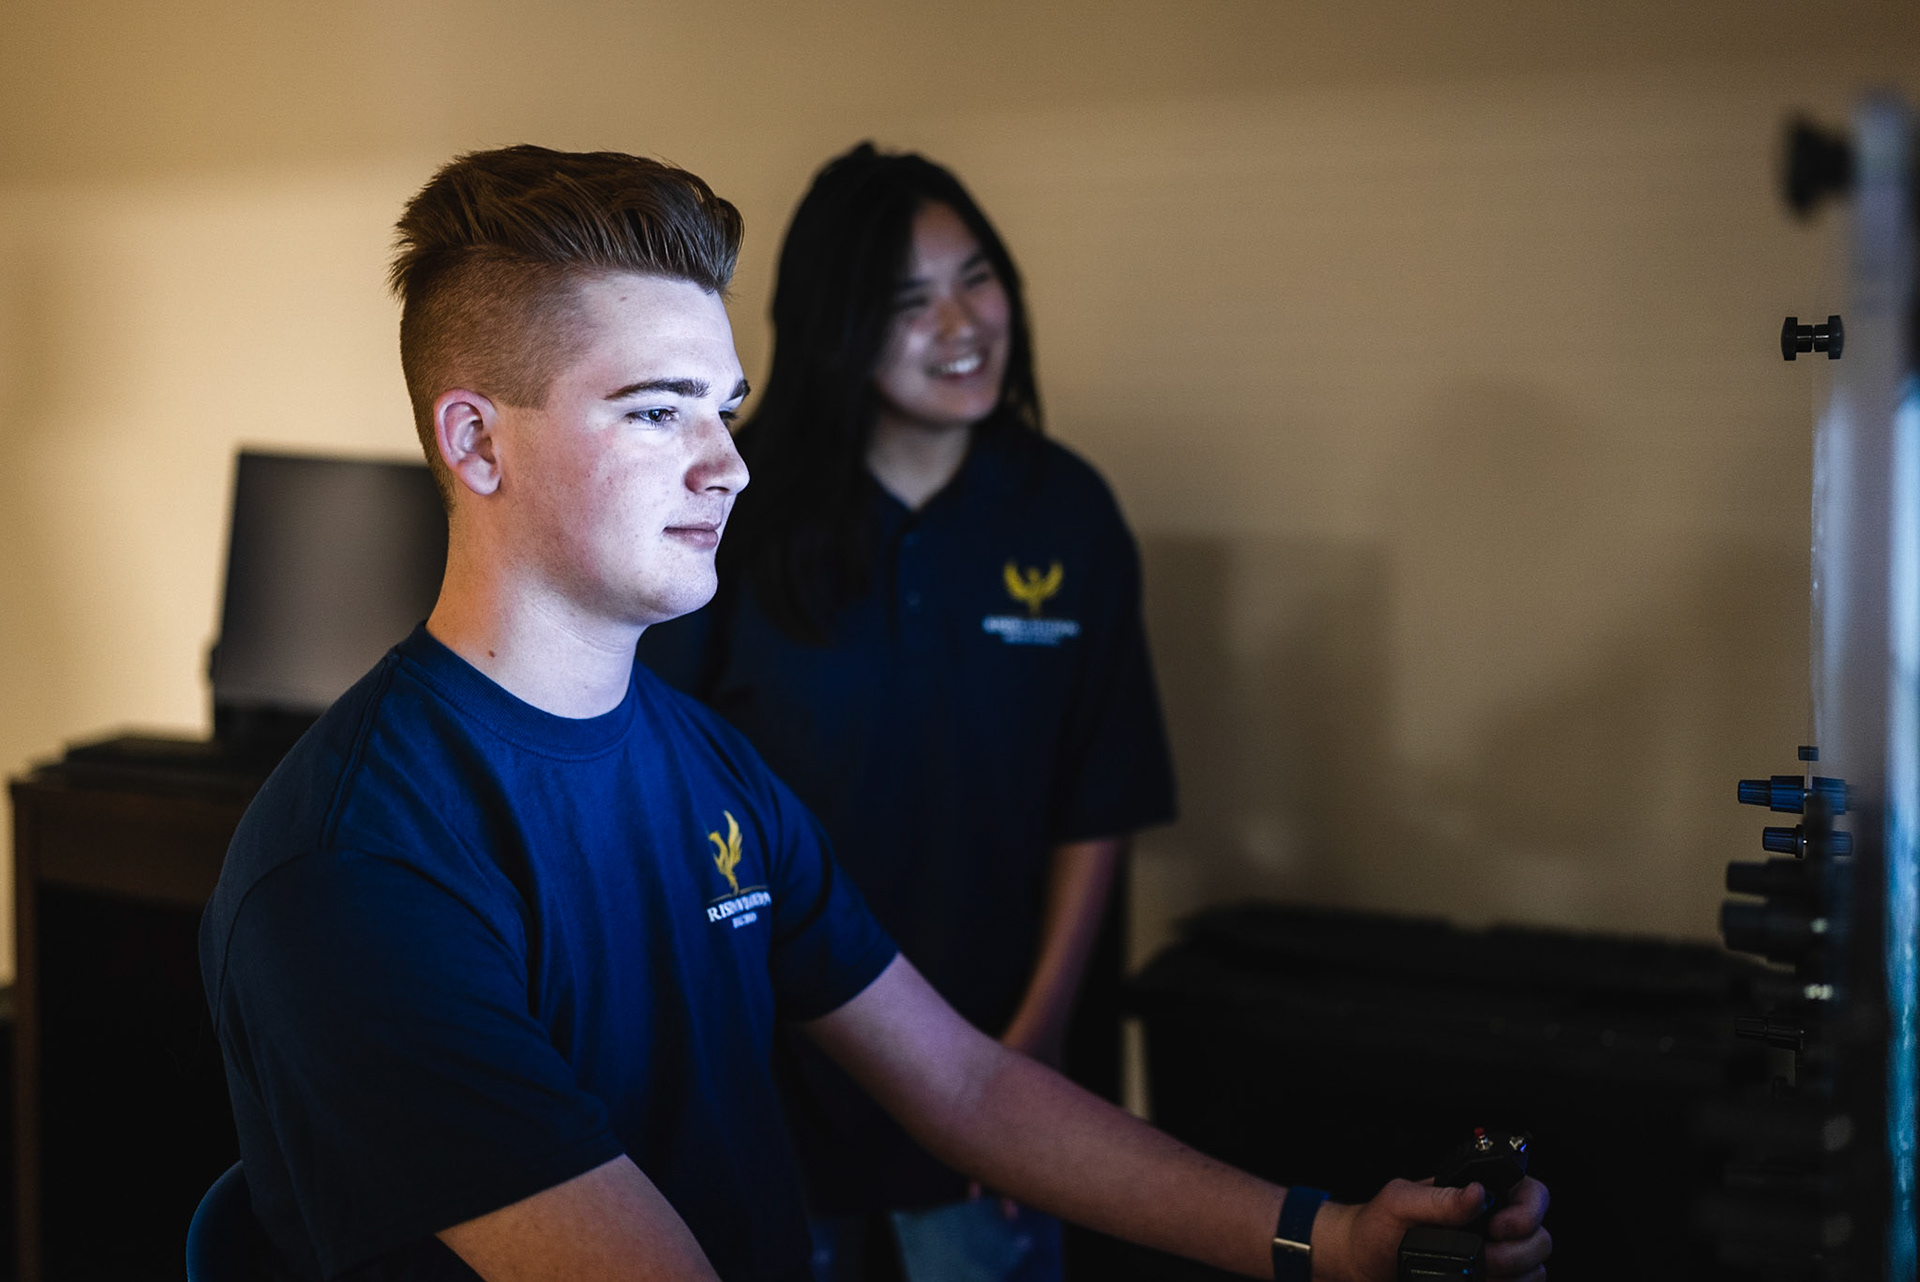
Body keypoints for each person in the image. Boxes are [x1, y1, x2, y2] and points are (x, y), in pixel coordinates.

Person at [199, 144, 1552, 1282]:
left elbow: (962, 1085)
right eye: (656, 412)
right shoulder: (358, 866)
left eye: (724, 408)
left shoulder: (711, 769)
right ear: (476, 440)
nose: (727, 464)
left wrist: (1332, 1239)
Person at [635, 143, 1172, 1282]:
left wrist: (1040, 1039)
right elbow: (661, 783)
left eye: (977, 279)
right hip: (772, 1063)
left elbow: (1100, 797)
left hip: (997, 1052)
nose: (961, 324)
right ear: (836, 326)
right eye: (907, 301)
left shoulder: (1065, 511)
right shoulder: (735, 506)